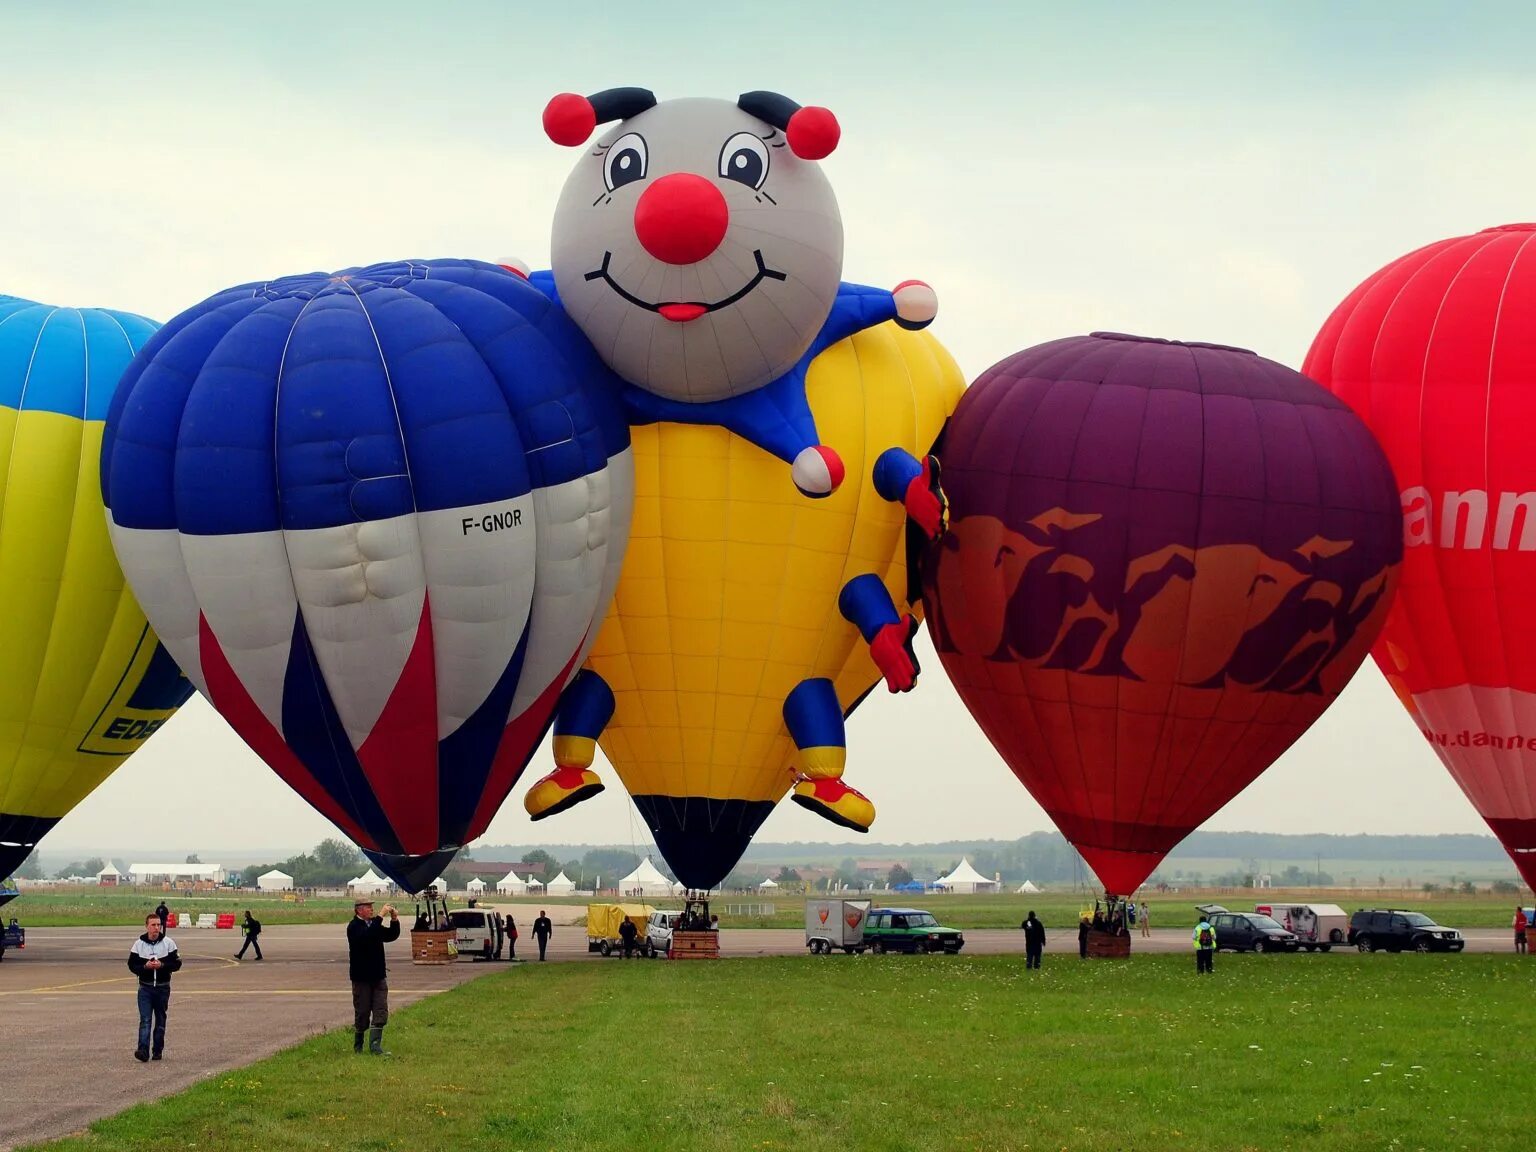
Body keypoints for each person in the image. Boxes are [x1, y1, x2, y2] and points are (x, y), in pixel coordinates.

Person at [347, 899, 401, 1055]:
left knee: (380, 1010)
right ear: (359, 910)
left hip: (378, 976)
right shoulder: (354, 927)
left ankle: (375, 1046)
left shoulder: (374, 925)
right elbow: (365, 938)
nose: (372, 910)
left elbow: (390, 935)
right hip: (361, 978)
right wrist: (380, 916)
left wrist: (394, 920)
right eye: (368, 908)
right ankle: (358, 1045)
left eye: (372, 907)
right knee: (362, 1012)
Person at [128, 912, 182, 1062]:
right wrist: (145, 966)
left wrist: (162, 965)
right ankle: (143, 1050)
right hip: (145, 988)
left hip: (162, 988)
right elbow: (132, 965)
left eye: (158, 925)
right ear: (147, 926)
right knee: (145, 1019)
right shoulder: (138, 944)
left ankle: (157, 1050)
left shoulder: (169, 943)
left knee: (160, 1019)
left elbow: (177, 964)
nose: (156, 928)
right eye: (153, 925)